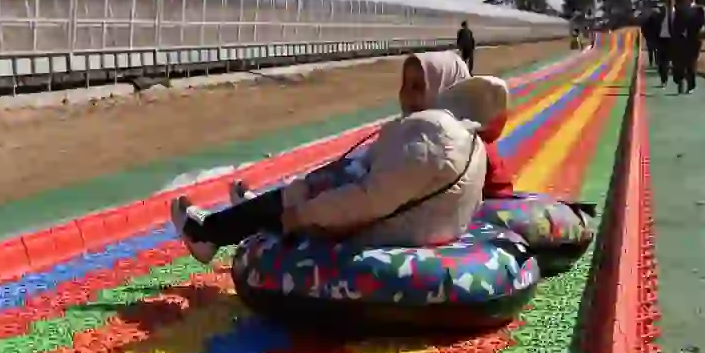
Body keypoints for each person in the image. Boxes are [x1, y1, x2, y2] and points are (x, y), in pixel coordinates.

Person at [171, 51, 494, 263]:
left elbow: (370, 200)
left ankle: (208, 234)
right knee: (319, 184)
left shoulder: (433, 133)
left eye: (417, 87)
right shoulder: (467, 133)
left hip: (393, 230)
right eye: (404, 86)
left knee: (304, 196)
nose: (406, 96)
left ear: (445, 87)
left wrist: (304, 214)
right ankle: (249, 212)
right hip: (419, 221)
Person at [669, 0, 705, 93]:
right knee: (679, 63)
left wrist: (702, 30)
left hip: (694, 40)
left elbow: (704, 22)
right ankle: (679, 81)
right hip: (681, 40)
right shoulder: (680, 10)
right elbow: (675, 25)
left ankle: (691, 85)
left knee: (691, 63)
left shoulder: (700, 9)